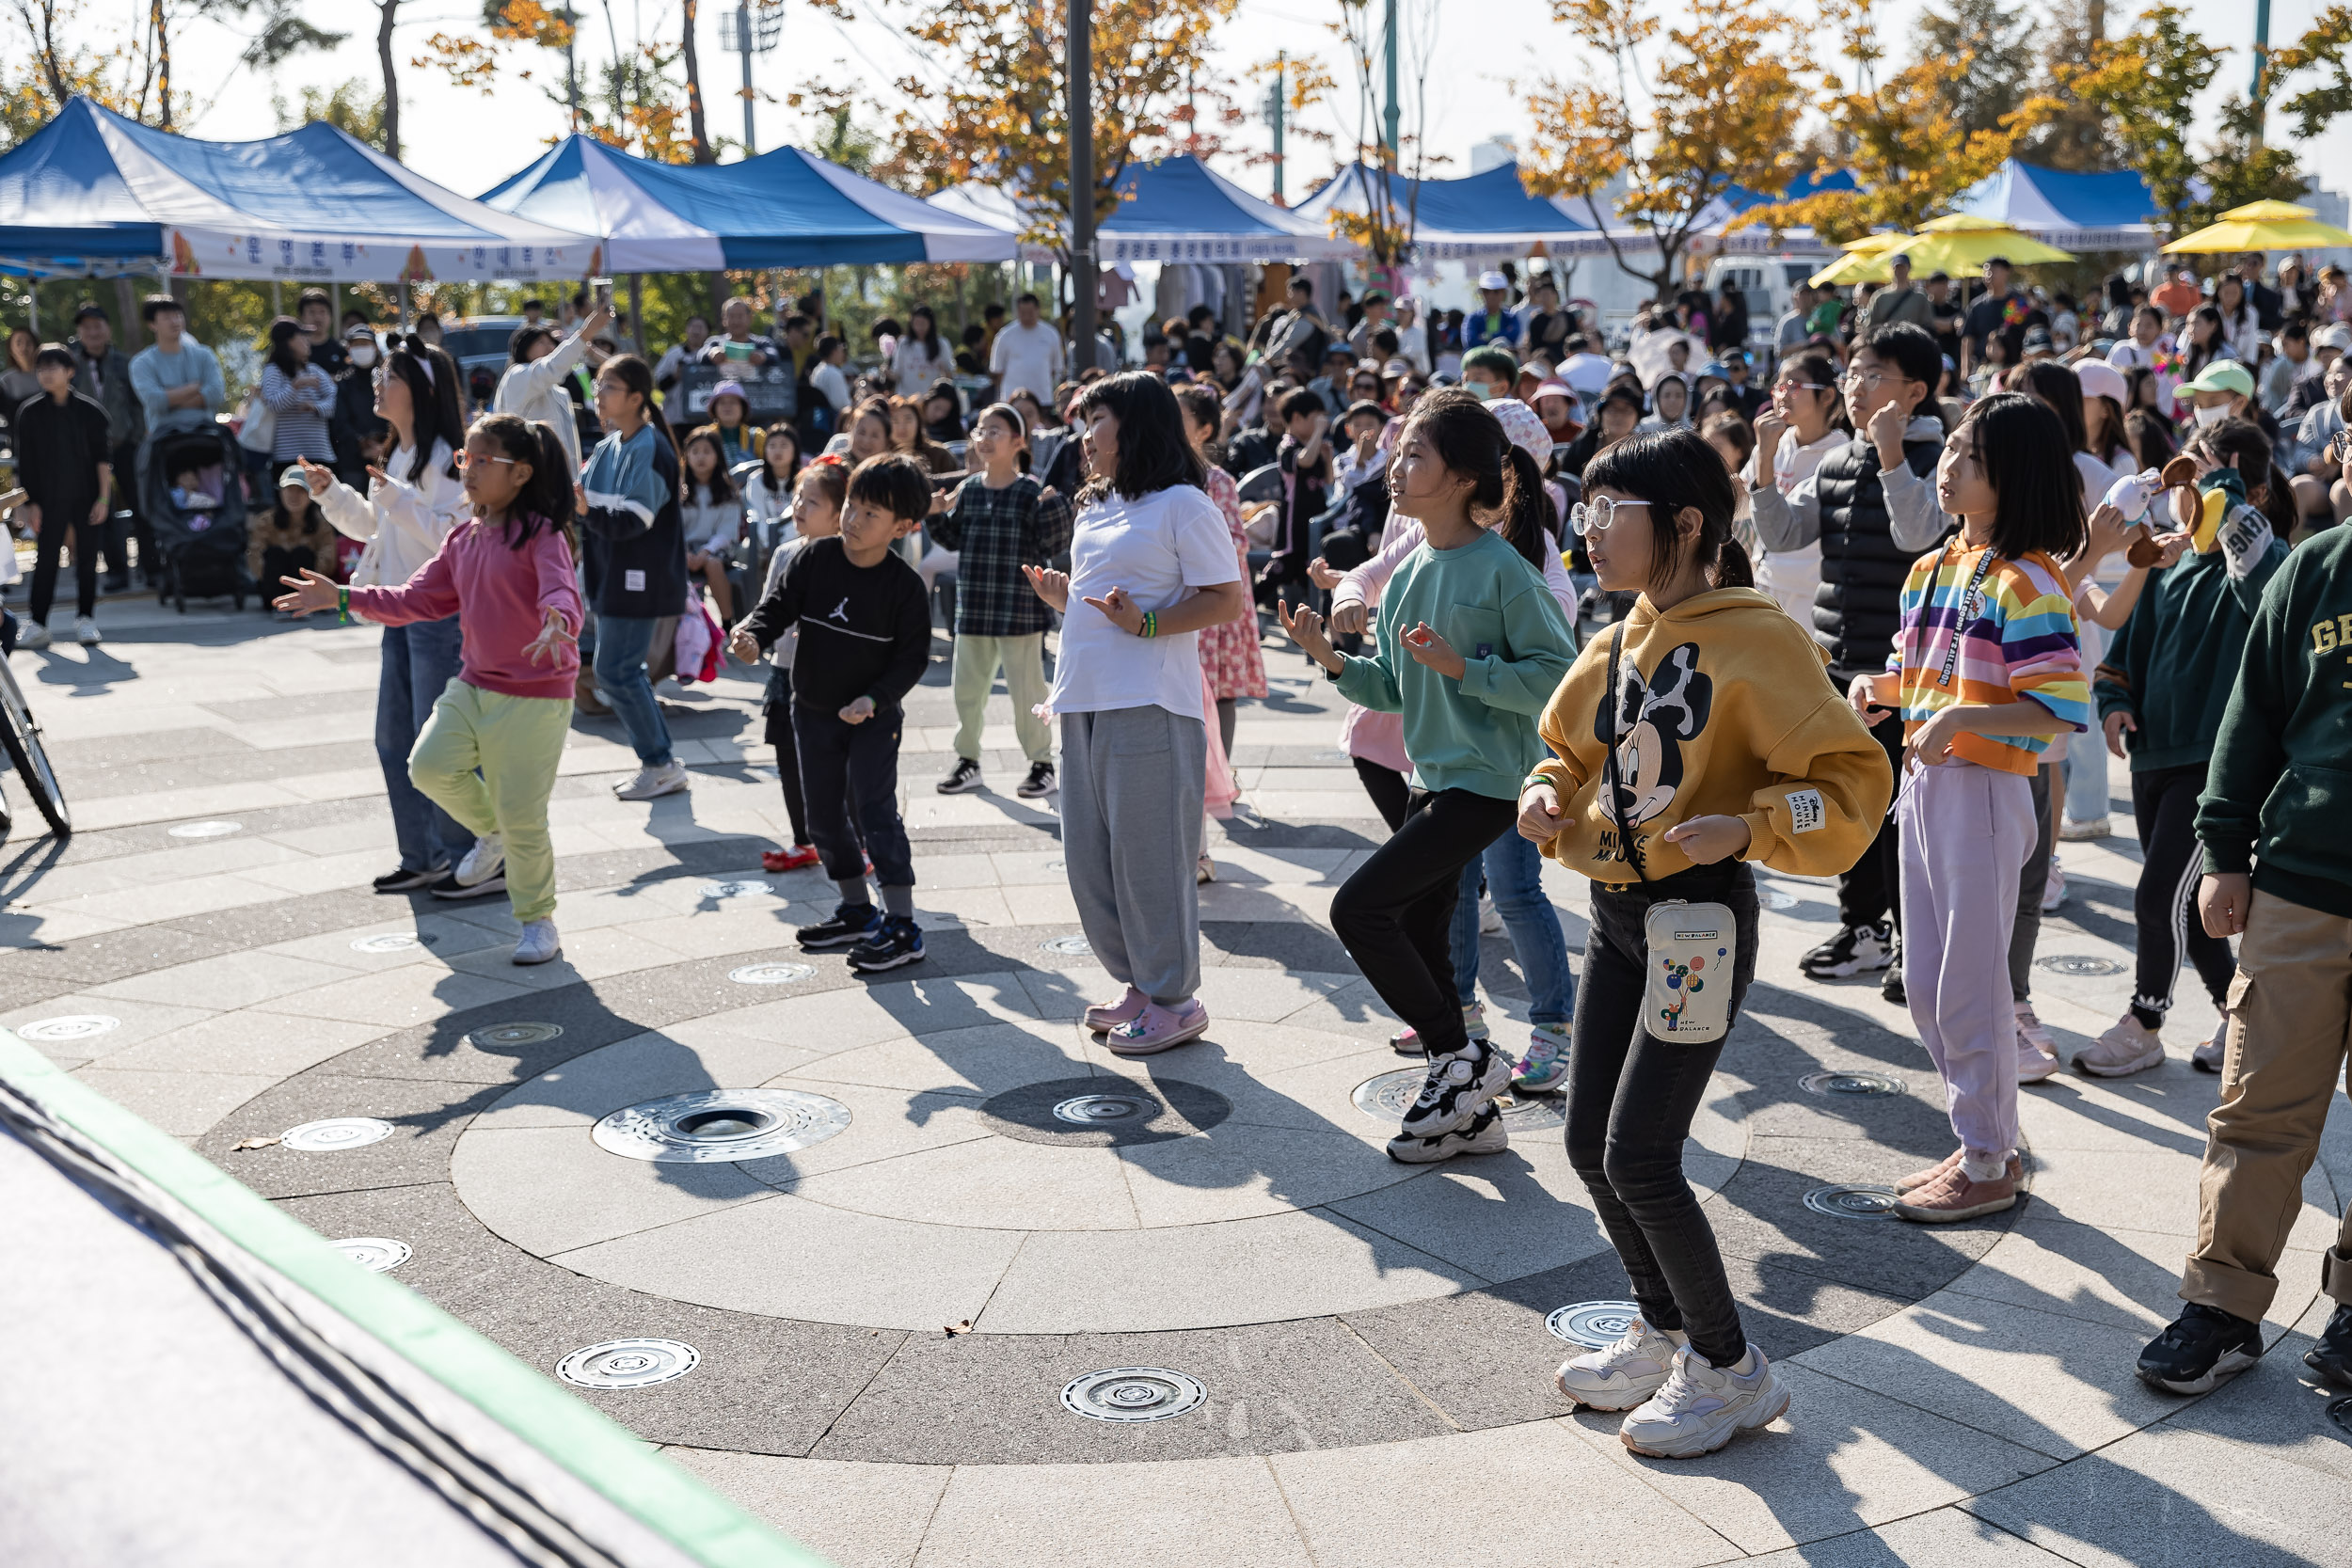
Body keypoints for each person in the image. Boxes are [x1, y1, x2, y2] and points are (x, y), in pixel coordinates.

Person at [1518, 424, 1887, 1455]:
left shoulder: (1759, 641)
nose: (1587, 534)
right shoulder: (1621, 634)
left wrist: (1754, 827)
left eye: (1607, 516)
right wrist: (1545, 793)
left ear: (1683, 524)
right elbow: (1561, 748)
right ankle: (1663, 1324)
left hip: (1701, 921)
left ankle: (1728, 1366)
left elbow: (1854, 781)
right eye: (1582, 513)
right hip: (1618, 917)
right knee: (1587, 1141)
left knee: (1639, 1151)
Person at [1281, 388, 1577, 1160]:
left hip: (1488, 784)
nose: (1397, 463)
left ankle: (1461, 1056)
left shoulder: (1505, 568)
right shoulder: (1412, 569)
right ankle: (1472, 1114)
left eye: (1416, 452)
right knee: (1419, 929)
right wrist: (1329, 658)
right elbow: (1391, 685)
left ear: (1461, 477)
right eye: (1400, 448)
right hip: (1432, 781)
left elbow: (1559, 676)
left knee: (1359, 910)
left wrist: (1466, 666)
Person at [1847, 392, 2090, 1223]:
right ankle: (1985, 1139)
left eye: (1972, 459)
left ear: (2014, 477)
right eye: (1950, 448)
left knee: (1969, 986)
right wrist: (1880, 690)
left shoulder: (2030, 579)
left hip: (1984, 790)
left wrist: (1958, 719)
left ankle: (1988, 1157)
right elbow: (1925, 677)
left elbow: (2058, 706)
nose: (1949, 467)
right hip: (1928, 784)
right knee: (1925, 981)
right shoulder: (1934, 567)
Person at [2129, 499, 2352, 1400]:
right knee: (2258, 1109)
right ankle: (2222, 1307)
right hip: (2299, 885)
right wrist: (2224, 851)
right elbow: (2250, 717)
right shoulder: (2314, 567)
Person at [278, 413, 583, 966]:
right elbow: (413, 600)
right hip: (474, 684)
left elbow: (560, 588)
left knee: (525, 815)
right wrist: (344, 597)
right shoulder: (462, 540)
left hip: (538, 695)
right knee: (428, 767)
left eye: (482, 458)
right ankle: (491, 833)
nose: (468, 469)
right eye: (467, 458)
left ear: (521, 474)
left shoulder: (540, 533)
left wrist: (558, 620)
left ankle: (537, 919)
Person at [1025, 372, 1248, 1053]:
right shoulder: (1094, 508)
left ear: (1134, 425)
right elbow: (1110, 603)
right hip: (1082, 696)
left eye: (1096, 420)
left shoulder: (1185, 502)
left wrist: (1148, 623)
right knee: (1090, 857)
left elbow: (1225, 598)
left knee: (1150, 857)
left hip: (1150, 701)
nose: (1084, 435)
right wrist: (1069, 600)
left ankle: (1175, 998)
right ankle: (1139, 984)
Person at [1747, 323, 1954, 994]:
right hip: (1841, 668)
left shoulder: (1940, 461)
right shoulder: (1836, 462)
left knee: (1901, 814)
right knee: (1847, 803)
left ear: (1916, 391)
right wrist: (1764, 457)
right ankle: (1863, 926)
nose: (1854, 388)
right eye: (1852, 374)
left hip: (1911, 677)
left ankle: (1910, 940)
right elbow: (1781, 534)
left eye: (1873, 375)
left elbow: (1918, 531)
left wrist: (1893, 458)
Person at [2081, 420, 2284, 1082]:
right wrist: (2114, 703)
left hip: (2215, 762)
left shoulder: (2260, 560)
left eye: (2205, 476)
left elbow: (2266, 603)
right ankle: (2236, 1013)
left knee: (2156, 894)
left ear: (2249, 491)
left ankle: (2144, 1020)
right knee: (2189, 910)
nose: (2185, 489)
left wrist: (2224, 499)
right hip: (2153, 755)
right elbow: (2123, 651)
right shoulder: (2165, 562)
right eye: (2184, 473)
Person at [730, 453, 935, 974]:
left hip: (872, 718)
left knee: (874, 813)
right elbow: (777, 605)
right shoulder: (814, 559)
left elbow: (911, 658)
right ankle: (856, 910)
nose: (854, 521)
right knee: (822, 816)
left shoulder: (905, 587)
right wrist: (753, 633)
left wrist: (875, 699)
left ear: (904, 527)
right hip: (812, 709)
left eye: (872, 515)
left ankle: (903, 925)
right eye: (853, 507)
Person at [310, 336, 477, 890]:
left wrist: (397, 499)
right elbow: (380, 532)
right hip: (402, 613)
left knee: (439, 743)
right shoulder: (402, 453)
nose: (379, 381)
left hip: (439, 618)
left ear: (422, 389)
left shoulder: (446, 458)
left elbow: (454, 541)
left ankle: (470, 856)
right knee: (395, 740)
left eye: (392, 374)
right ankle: (424, 855)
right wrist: (333, 494)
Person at [929, 403, 1072, 800]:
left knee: (1028, 693)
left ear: (1018, 441)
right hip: (973, 607)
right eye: (981, 430)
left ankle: (1041, 764)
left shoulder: (1031, 490)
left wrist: (1054, 506)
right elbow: (953, 539)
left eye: (996, 431)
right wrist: (936, 512)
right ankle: (968, 760)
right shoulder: (970, 490)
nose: (985, 438)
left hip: (1019, 610)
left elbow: (1052, 543)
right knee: (966, 692)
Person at [580, 354, 691, 801]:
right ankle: (661, 761)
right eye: (599, 385)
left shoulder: (652, 448)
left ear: (637, 397)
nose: (599, 394)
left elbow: (632, 521)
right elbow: (582, 503)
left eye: (609, 386)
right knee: (620, 670)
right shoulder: (608, 446)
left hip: (638, 577)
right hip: (611, 577)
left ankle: (660, 762)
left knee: (616, 670)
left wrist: (583, 509)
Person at [745, 458, 843, 876]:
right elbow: (768, 608)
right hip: (786, 671)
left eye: (813, 501)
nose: (800, 506)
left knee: (836, 764)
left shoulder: (848, 559)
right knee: (789, 759)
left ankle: (850, 840)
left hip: (831, 680)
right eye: (799, 497)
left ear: (840, 515)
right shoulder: (786, 553)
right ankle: (804, 840)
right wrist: (747, 632)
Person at [1174, 384, 1270, 762]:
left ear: (1205, 430)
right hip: (1180, 599)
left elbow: (1236, 542)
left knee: (1222, 689)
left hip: (1216, 602)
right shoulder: (1156, 477)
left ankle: (1221, 769)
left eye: (1179, 419)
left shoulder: (1217, 481)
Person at [13, 344, 114, 650]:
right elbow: (24, 464)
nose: (46, 373)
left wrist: (104, 500)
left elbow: (103, 461)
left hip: (86, 497)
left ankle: (86, 619)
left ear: (69, 371)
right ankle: (39, 623)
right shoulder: (29, 413)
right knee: (45, 561)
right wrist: (29, 505)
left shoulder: (90, 412)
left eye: (53, 367)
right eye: (41, 368)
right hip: (47, 500)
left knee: (87, 559)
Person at [1745, 351, 1847, 622]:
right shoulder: (1772, 440)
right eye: (1778, 387)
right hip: (1766, 579)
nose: (1782, 395)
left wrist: (1766, 456)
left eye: (1793, 385)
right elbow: (1744, 501)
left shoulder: (1842, 453)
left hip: (1812, 589)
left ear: (1826, 396)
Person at [69, 303, 143, 593]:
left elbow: (138, 405)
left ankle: (151, 568)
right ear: (79, 331)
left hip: (126, 445)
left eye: (97, 325)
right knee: (102, 511)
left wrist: (135, 437)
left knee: (139, 505)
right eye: (86, 326)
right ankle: (116, 572)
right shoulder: (71, 364)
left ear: (107, 328)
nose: (92, 331)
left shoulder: (124, 363)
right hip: (89, 453)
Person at [496, 305, 609, 476]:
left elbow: (570, 445)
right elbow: (551, 368)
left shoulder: (558, 392)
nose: (550, 348)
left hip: (559, 479)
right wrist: (586, 332)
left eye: (552, 343)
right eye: (541, 342)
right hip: (528, 476)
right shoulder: (517, 375)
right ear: (523, 346)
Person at [129, 295, 226, 443]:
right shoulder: (141, 362)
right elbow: (155, 401)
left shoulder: (204, 354)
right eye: (167, 317)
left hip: (206, 437)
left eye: (178, 315)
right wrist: (193, 388)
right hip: (165, 442)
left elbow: (215, 393)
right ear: (152, 325)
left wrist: (170, 401)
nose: (175, 321)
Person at [677, 427, 746, 624]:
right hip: (684, 549)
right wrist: (684, 552)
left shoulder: (728, 493)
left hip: (716, 550)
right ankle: (681, 623)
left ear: (718, 456)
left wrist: (705, 553)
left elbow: (726, 533)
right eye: (695, 451)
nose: (701, 457)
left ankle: (726, 622)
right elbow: (672, 529)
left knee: (713, 564)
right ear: (686, 456)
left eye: (707, 451)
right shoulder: (678, 491)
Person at [249, 465, 330, 618]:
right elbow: (254, 555)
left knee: (302, 553)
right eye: (289, 490)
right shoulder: (265, 521)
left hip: (310, 592)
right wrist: (269, 578)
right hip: (273, 591)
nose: (294, 496)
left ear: (311, 495)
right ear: (280, 492)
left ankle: (303, 602)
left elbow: (328, 558)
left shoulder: (322, 524)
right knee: (275, 554)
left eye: (301, 491)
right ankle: (279, 605)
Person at [259, 317, 338, 469]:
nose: (307, 341)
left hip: (320, 453)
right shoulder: (273, 371)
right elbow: (273, 404)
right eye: (301, 337)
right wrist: (295, 386)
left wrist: (316, 407)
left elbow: (335, 401)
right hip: (287, 457)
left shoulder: (315, 370)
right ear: (288, 342)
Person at [991, 293, 1064, 404]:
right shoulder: (1004, 335)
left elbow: (1056, 369)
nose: (1026, 317)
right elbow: (998, 371)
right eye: (1022, 313)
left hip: (1043, 399)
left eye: (1030, 312)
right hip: (1012, 399)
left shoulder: (1051, 334)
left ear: (1038, 310)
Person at [698, 296, 776, 367]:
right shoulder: (715, 342)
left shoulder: (762, 343)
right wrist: (713, 353)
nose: (736, 321)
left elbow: (773, 355)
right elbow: (701, 355)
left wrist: (762, 356)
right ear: (724, 319)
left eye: (740, 316)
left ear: (750, 318)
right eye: (731, 316)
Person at [653, 314, 711, 395]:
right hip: (675, 406)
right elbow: (657, 383)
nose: (696, 331)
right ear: (686, 329)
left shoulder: (711, 356)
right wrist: (675, 377)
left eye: (700, 328)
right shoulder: (673, 353)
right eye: (693, 327)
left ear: (707, 332)